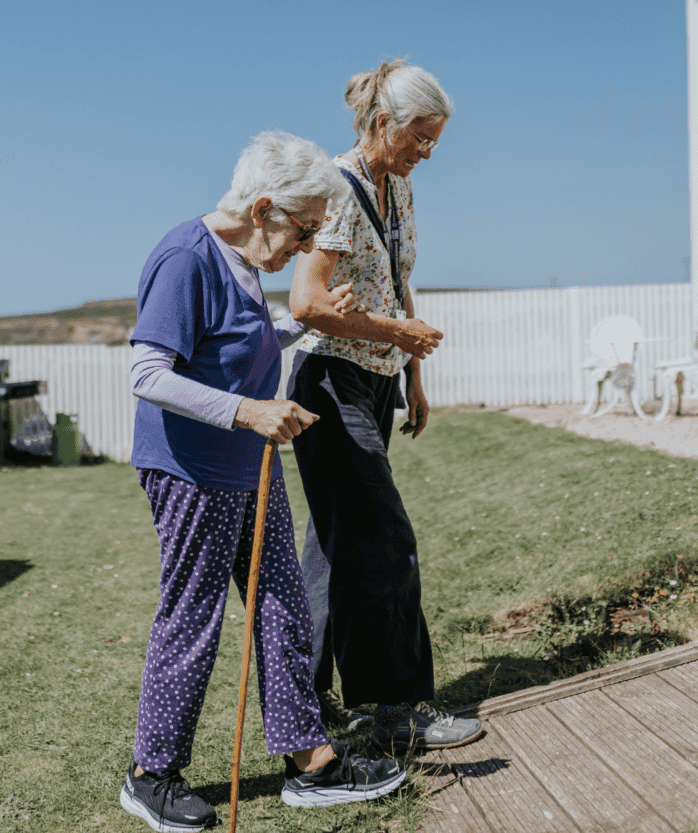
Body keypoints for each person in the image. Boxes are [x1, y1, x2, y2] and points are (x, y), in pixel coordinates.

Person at [122, 131, 407, 833]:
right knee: (192, 618)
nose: (304, 247)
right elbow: (148, 373)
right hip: (192, 470)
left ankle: (310, 761)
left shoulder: (242, 259)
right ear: (262, 208)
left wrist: (287, 327)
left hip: (252, 464)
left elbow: (231, 340)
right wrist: (249, 409)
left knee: (282, 604)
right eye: (304, 229)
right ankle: (150, 774)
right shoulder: (186, 256)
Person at [288, 60, 485, 753]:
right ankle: (394, 704)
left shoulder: (397, 190)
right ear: (382, 124)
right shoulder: (337, 189)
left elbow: (399, 284)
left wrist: (413, 377)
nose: (426, 154)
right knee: (386, 545)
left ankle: (304, 706)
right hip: (331, 383)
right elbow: (306, 302)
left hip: (376, 383)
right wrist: (394, 334)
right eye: (420, 138)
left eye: (434, 142)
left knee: (331, 553)